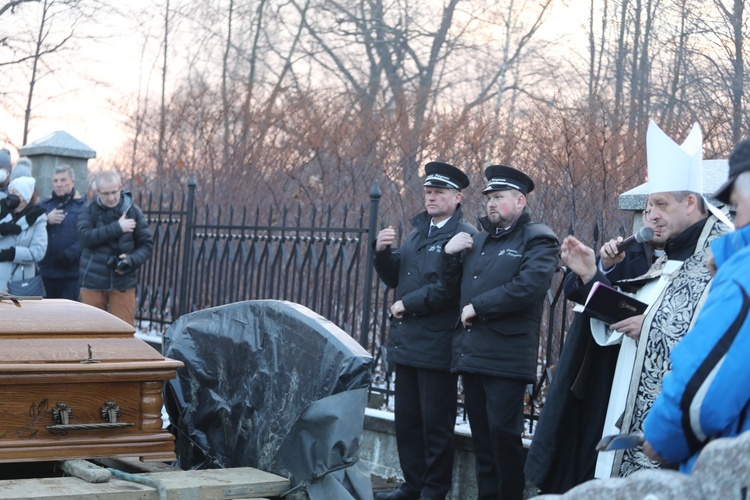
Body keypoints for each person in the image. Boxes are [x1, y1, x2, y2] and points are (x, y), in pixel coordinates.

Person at [524, 121, 733, 493]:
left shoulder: (722, 257)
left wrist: (648, 325)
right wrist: (592, 275)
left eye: (660, 204)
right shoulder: (652, 253)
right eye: (649, 205)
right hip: (623, 395)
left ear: (690, 202)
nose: (650, 214)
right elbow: (631, 315)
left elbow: (719, 338)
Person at [441, 164, 560, 500]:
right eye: (489, 197)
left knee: (503, 436)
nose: (491, 203)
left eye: (499, 197)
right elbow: (452, 289)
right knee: (481, 437)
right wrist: (449, 256)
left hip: (507, 356)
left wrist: (479, 306)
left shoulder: (538, 238)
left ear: (520, 201)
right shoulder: (477, 241)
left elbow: (530, 287)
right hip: (472, 352)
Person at [642, 137, 750, 472]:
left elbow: (702, 395)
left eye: (738, 203)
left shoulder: (742, 273)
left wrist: (661, 439)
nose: (738, 218)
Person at [373, 161, 476, 500]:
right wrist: (382, 253)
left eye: (439, 192)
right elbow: (397, 279)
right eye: (428, 192)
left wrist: (408, 305)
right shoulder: (419, 233)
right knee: (407, 422)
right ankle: (412, 485)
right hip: (407, 343)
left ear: (457, 197)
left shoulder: (463, 236)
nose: (431, 197)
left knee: (435, 426)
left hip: (437, 343)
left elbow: (449, 290)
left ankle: (434, 490)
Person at [77, 170, 153, 326]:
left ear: (121, 187)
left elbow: (146, 245)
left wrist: (131, 260)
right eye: (105, 194)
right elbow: (85, 238)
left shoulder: (133, 212)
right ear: (97, 192)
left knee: (124, 334)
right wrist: (117, 228)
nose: (111, 198)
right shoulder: (88, 210)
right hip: (92, 281)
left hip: (123, 281)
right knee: (90, 332)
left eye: (114, 192)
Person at [38, 164, 85, 301]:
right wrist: (46, 220)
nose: (59, 184)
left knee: (67, 318)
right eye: (56, 181)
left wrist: (69, 255)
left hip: (70, 274)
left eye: (63, 180)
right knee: (45, 319)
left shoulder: (83, 207)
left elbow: (86, 238)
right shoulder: (43, 206)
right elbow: (30, 232)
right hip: (46, 273)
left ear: (72, 182)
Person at [0, 176, 47, 292]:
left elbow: (38, 251)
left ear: (24, 196)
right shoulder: (2, 209)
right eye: (9, 192)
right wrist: (3, 229)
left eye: (14, 192)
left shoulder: (37, 218)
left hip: (20, 284)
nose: (10, 195)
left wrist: (13, 254)